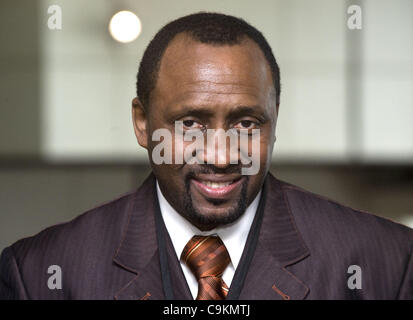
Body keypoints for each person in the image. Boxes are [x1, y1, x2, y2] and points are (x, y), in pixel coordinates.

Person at [0, 12, 412, 300]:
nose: (219, 155)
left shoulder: (388, 264)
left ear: (275, 119)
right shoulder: (40, 273)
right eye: (191, 124)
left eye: (247, 123)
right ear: (142, 123)